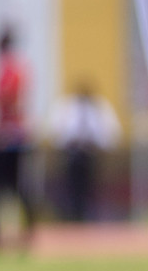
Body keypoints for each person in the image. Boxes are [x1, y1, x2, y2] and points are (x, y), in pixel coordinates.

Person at [0, 27, 35, 250]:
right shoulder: (15, 67)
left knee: (0, 186)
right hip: (13, 135)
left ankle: (1, 232)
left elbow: (5, 99)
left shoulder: (8, 68)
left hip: (8, 137)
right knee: (10, 187)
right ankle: (17, 231)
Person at [49, 79, 120, 222]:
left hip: (91, 155)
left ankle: (89, 215)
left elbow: (111, 132)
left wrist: (97, 142)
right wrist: (68, 140)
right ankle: (71, 215)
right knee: (71, 187)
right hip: (70, 154)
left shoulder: (99, 108)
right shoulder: (66, 107)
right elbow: (54, 130)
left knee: (90, 188)